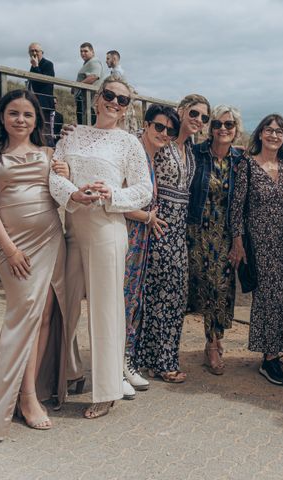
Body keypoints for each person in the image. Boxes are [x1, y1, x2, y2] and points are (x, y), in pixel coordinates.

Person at [50, 77, 152, 419]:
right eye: (109, 96)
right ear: (97, 98)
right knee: (64, 305)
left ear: (127, 109)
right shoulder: (71, 134)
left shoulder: (128, 144)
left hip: (108, 228)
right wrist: (73, 192)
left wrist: (113, 196)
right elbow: (54, 176)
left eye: (123, 100)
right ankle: (67, 373)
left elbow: (144, 190)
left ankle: (106, 390)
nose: (115, 103)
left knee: (106, 310)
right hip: (72, 226)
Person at [0, 89, 69, 440]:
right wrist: (10, 249)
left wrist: (65, 168)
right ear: (2, 116)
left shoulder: (48, 153)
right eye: (13, 113)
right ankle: (17, 399)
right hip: (15, 248)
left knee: (43, 316)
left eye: (27, 115)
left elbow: (62, 190)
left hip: (50, 240)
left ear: (36, 120)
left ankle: (27, 392)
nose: (20, 120)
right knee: (20, 317)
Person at [132, 94, 207, 383]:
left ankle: (162, 358)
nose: (198, 120)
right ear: (182, 111)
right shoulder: (159, 141)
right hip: (157, 226)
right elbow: (132, 143)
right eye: (194, 113)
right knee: (155, 295)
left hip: (179, 231)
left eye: (203, 117)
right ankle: (152, 361)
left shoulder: (191, 148)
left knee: (175, 297)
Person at [229, 114, 283, 386]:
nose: (274, 135)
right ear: (260, 134)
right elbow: (237, 206)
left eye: (279, 131)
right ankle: (269, 358)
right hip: (259, 243)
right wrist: (238, 242)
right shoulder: (247, 164)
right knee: (267, 298)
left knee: (282, 298)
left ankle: (275, 352)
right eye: (269, 130)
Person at [122, 103, 179, 391]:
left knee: (133, 301)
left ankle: (125, 362)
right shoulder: (133, 153)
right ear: (146, 124)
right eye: (159, 126)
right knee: (122, 301)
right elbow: (116, 199)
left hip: (141, 240)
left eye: (170, 130)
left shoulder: (151, 157)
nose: (164, 133)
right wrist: (147, 216)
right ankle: (117, 368)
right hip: (126, 237)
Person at [188, 105, 245, 375]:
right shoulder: (196, 153)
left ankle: (215, 340)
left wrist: (238, 240)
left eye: (229, 125)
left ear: (236, 130)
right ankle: (210, 343)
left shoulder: (240, 160)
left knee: (221, 288)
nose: (223, 129)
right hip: (197, 231)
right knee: (204, 287)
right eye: (217, 124)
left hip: (224, 234)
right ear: (210, 129)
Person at [27, 42, 55, 141]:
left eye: (36, 51)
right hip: (34, 102)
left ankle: (48, 150)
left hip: (44, 103)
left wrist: (36, 67)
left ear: (42, 52)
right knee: (35, 129)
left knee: (45, 130)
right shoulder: (33, 66)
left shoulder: (48, 64)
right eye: (32, 51)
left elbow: (44, 82)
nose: (34, 53)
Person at [73, 42, 103, 125]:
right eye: (81, 51)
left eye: (85, 51)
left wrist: (76, 86)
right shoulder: (87, 63)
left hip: (89, 102)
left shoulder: (94, 62)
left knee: (86, 125)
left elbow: (94, 76)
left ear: (92, 52)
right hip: (84, 101)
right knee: (82, 124)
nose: (82, 53)